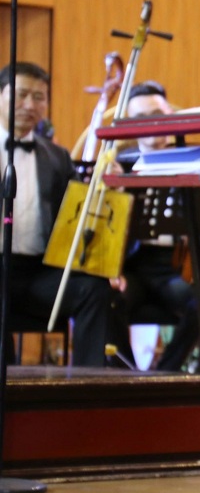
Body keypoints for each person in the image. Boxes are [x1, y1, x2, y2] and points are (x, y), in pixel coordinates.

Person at [1, 62, 109, 367]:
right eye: (21, 94)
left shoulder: (56, 156)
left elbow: (77, 215)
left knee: (93, 288)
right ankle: (7, 388)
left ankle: (89, 383)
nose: (29, 105)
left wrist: (103, 186)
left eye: (39, 97)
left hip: (38, 271)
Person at [111, 81, 200, 371]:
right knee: (104, 298)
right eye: (140, 118)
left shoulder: (191, 161)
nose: (151, 124)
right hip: (130, 265)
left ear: (170, 116)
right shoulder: (119, 165)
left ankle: (164, 376)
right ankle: (126, 377)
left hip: (171, 266)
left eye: (158, 114)